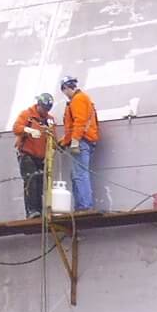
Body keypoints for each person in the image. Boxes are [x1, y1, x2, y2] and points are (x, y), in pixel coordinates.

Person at [57, 76, 100, 212]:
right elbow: (72, 127)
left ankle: (84, 206)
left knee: (80, 174)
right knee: (76, 175)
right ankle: (81, 205)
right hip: (84, 140)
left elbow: (79, 122)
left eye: (64, 91)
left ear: (66, 88)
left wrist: (75, 142)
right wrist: (64, 142)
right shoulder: (80, 99)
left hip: (82, 141)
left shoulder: (78, 99)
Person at [14, 92, 56, 218]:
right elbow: (16, 128)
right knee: (31, 180)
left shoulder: (50, 120)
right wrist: (29, 130)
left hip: (41, 157)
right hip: (27, 154)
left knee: (39, 184)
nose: (45, 111)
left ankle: (38, 211)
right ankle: (32, 211)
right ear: (38, 105)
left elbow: (53, 137)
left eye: (47, 109)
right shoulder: (27, 115)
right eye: (43, 108)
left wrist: (53, 149)